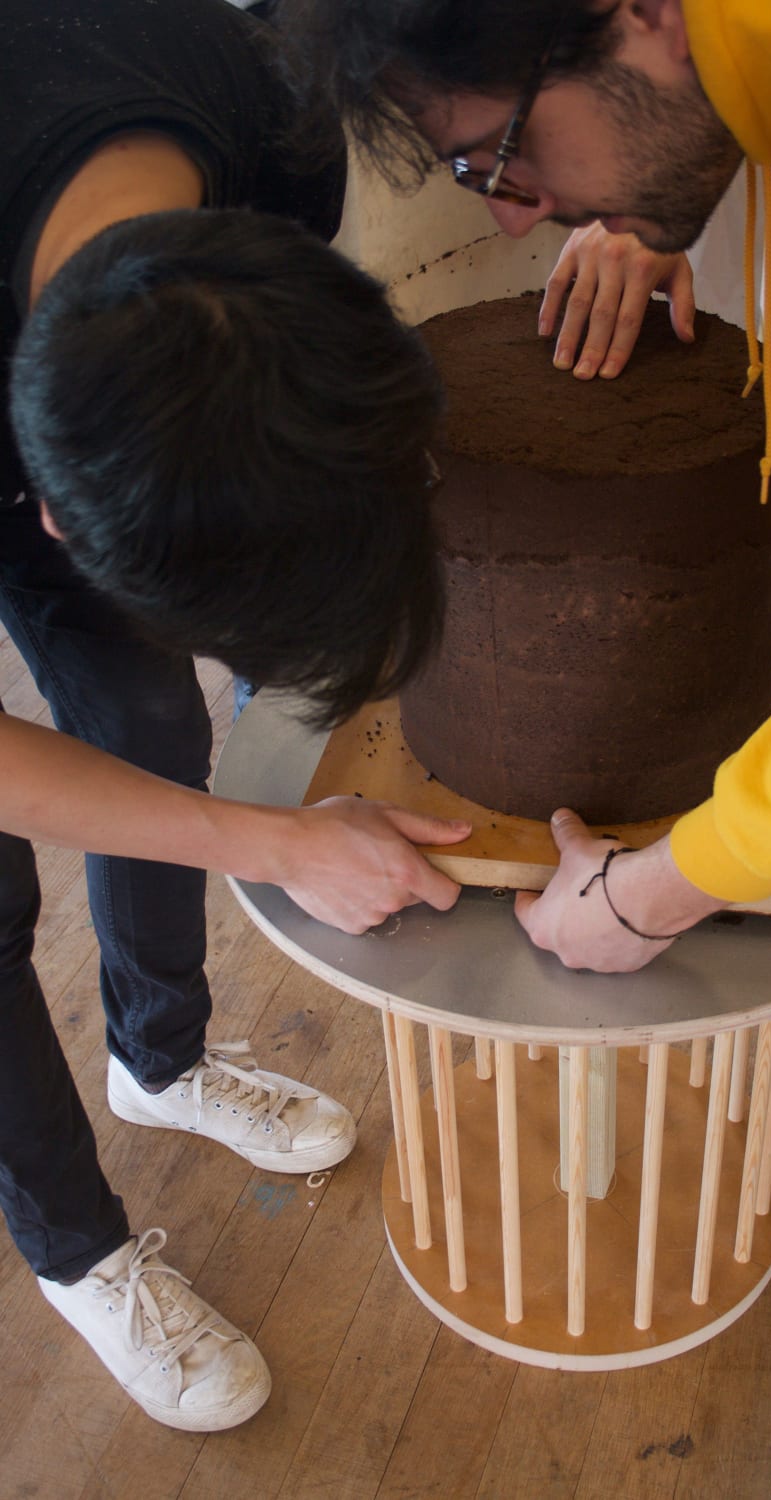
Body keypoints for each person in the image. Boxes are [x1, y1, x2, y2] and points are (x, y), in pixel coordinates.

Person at [277, 0, 771, 1474]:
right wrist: (718, 475)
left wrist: (664, 883)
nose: (533, 217)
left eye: (504, 155)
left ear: (640, 16)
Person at [0, 0, 479, 1433]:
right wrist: (268, 843)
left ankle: (161, 1060)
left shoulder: (261, 112)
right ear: (60, 523)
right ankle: (76, 1254)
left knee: (145, 719)